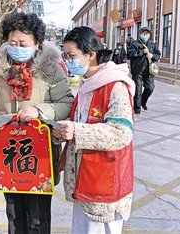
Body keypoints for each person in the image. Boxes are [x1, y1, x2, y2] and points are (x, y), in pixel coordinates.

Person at [0, 12, 74, 234]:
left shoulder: (52, 70)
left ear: (37, 44)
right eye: (12, 42)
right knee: (14, 213)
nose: (17, 47)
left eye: (23, 43)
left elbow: (66, 103)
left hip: (38, 154)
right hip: (8, 153)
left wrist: (39, 111)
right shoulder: (1, 70)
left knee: (38, 217)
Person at [53, 26, 135, 234]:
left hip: (103, 185)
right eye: (65, 55)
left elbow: (121, 132)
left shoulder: (114, 86)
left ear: (91, 55)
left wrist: (77, 132)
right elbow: (80, 122)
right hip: (83, 179)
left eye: (71, 56)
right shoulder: (87, 84)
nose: (67, 60)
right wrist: (62, 131)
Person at [127, 27, 161, 114]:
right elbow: (130, 54)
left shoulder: (152, 45)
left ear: (149, 35)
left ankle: (143, 101)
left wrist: (152, 56)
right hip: (137, 71)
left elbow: (158, 54)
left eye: (147, 34)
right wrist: (142, 52)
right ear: (140, 34)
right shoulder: (134, 44)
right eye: (143, 34)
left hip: (148, 71)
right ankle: (137, 109)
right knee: (138, 90)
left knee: (150, 88)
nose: (145, 35)